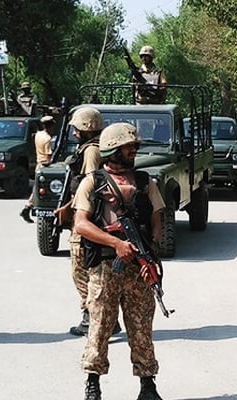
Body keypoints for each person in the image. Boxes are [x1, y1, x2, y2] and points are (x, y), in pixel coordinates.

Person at [74, 122, 165, 400]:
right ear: (113, 149)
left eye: (135, 146)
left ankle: (148, 386)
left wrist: (148, 250)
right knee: (100, 327)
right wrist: (116, 243)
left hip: (138, 270)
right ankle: (93, 386)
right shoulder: (93, 182)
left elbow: (157, 219)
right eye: (129, 146)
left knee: (141, 328)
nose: (134, 150)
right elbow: (81, 224)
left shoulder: (146, 181)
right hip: (105, 268)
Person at [50, 107, 118, 336]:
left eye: (77, 128)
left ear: (86, 128)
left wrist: (69, 208)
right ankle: (104, 316)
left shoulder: (91, 151)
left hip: (86, 216)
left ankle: (92, 316)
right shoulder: (92, 148)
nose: (74, 132)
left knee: (81, 270)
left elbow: (90, 184)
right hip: (88, 214)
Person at [20, 115, 56, 222]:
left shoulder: (38, 135)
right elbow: (49, 156)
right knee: (40, 190)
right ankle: (27, 208)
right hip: (45, 166)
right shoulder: (47, 139)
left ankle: (27, 207)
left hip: (38, 164)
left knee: (36, 188)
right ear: (51, 126)